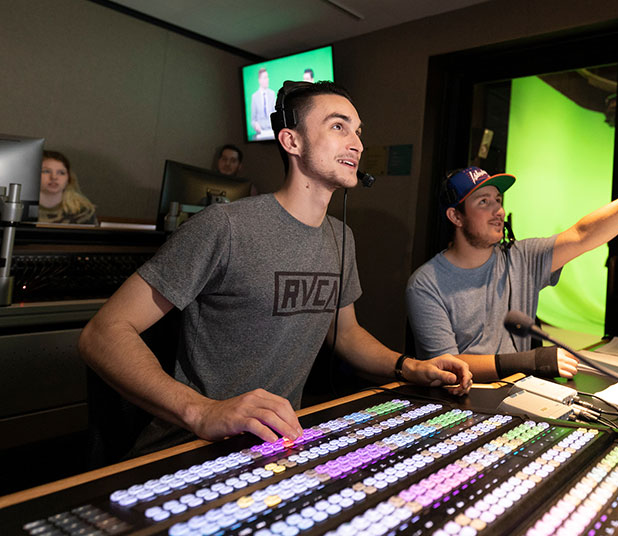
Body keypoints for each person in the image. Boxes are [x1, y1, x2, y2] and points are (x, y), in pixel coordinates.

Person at [78, 81, 472, 456]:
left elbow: (345, 333)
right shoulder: (226, 226)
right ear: (291, 141)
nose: (356, 143)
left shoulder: (342, 237)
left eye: (358, 131)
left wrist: (408, 366)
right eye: (338, 126)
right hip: (190, 450)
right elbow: (103, 333)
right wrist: (201, 411)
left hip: (275, 446)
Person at [406, 167, 618, 382]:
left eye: (499, 201)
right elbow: (443, 366)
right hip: (465, 402)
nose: (498, 210)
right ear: (455, 216)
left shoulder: (522, 257)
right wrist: (531, 361)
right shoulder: (426, 283)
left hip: (521, 392)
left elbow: (583, 234)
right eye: (484, 202)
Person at [38, 150, 97, 224]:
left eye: (61, 173)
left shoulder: (83, 211)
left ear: (68, 178)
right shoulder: (21, 209)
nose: (54, 177)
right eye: (46, 171)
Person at [250, 68, 276, 139]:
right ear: (260, 80)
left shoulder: (272, 94)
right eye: (264, 78)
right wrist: (255, 125)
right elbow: (253, 120)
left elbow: (275, 113)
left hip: (272, 131)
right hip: (261, 132)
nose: (267, 80)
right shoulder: (254, 97)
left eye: (267, 77)